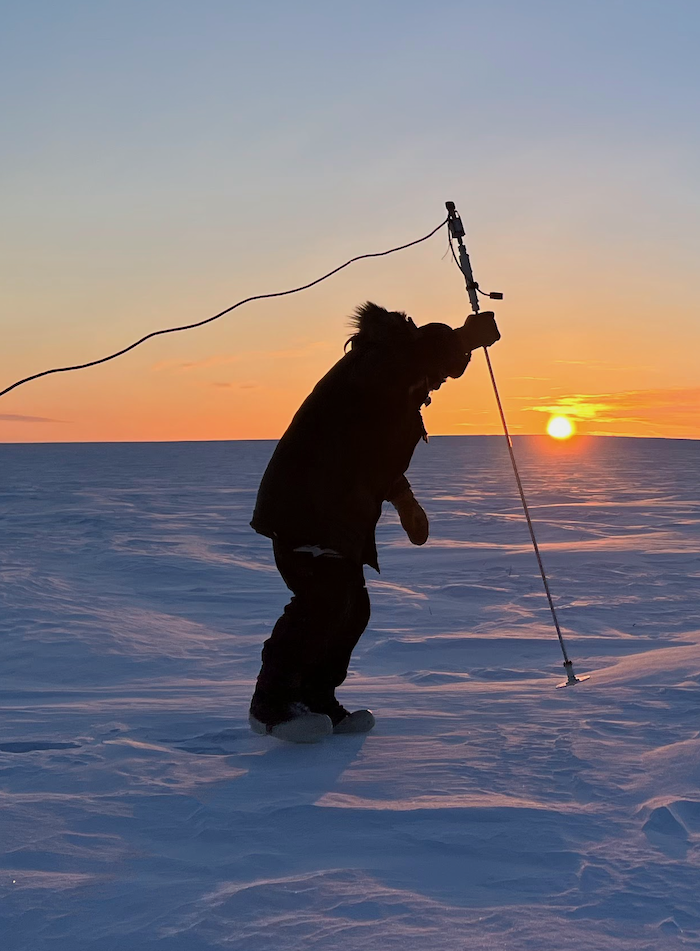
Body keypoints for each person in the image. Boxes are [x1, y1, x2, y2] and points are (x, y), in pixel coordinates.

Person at [249, 302, 501, 742]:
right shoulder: (379, 365)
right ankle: (271, 704)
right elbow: (400, 370)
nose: (436, 386)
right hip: (305, 506)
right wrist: (460, 339)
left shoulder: (391, 385)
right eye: (438, 377)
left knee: (351, 608)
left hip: (339, 511)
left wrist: (404, 500)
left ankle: (315, 698)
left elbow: (372, 453)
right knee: (323, 601)